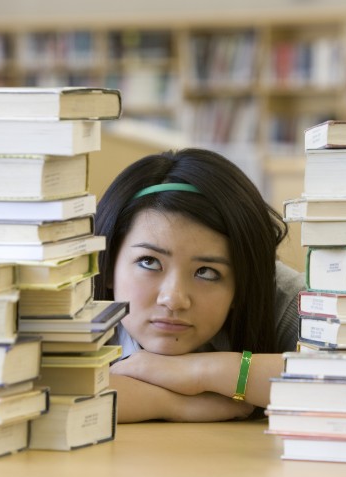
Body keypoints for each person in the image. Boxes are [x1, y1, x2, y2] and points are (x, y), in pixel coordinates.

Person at [94, 148, 305, 423]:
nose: (174, 299)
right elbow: (37, 393)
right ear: (109, 264)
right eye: (149, 262)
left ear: (243, 283)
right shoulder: (63, 292)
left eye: (206, 272)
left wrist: (203, 372)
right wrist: (172, 404)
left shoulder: (285, 297)